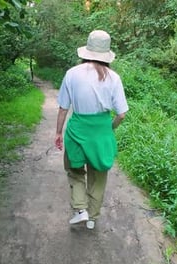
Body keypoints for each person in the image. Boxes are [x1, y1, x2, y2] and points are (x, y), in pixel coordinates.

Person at [54, 30, 128, 230]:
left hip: (77, 130)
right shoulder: (114, 77)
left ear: (86, 51)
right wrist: (109, 130)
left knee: (76, 170)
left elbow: (63, 108)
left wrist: (58, 133)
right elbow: (121, 114)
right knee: (98, 176)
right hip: (101, 132)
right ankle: (92, 218)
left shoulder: (72, 74)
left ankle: (80, 210)